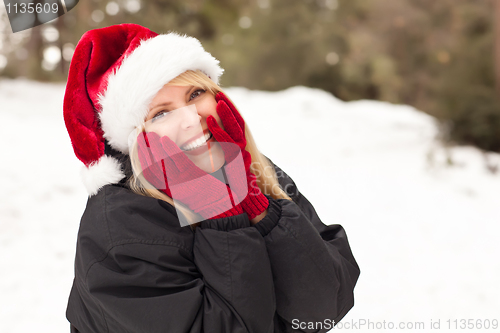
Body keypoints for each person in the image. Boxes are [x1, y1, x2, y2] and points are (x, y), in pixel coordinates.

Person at [63, 23, 360, 333]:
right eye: (161, 113)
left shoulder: (257, 172)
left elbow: (323, 310)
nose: (192, 119)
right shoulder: (120, 223)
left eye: (195, 93)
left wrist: (259, 209)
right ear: (136, 138)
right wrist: (220, 214)